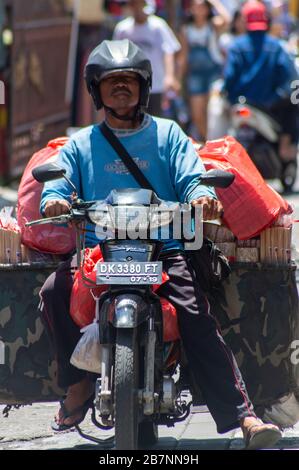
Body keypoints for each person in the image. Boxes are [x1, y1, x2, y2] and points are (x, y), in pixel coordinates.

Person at [39, 38, 282, 449]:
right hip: (101, 251)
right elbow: (58, 182)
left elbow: (190, 176)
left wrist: (200, 195)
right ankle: (77, 385)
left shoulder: (169, 134)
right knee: (52, 292)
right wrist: (56, 199)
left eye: (129, 81)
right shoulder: (81, 143)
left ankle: (243, 416)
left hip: (163, 249)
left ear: (144, 87)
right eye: (111, 81)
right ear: (95, 89)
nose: (120, 88)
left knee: (195, 313)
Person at [223, 0, 298, 162]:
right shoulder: (276, 46)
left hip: (240, 102)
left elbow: (229, 76)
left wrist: (227, 95)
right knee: (293, 105)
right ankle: (286, 148)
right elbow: (288, 76)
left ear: (244, 20)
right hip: (269, 104)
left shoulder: (236, 46)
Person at [113, 0, 181, 117]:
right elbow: (116, 56)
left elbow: (168, 51)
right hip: (131, 86)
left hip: (155, 84)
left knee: (154, 119)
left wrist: (169, 76)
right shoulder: (122, 29)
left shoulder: (158, 26)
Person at [177, 0, 231, 141]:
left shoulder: (212, 26)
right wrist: (179, 79)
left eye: (202, 7)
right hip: (195, 75)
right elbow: (183, 56)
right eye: (196, 7)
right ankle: (207, 140)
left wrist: (214, 3)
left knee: (212, 112)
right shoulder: (186, 29)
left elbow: (227, 19)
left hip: (213, 73)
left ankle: (212, 142)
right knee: (197, 114)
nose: (199, 10)